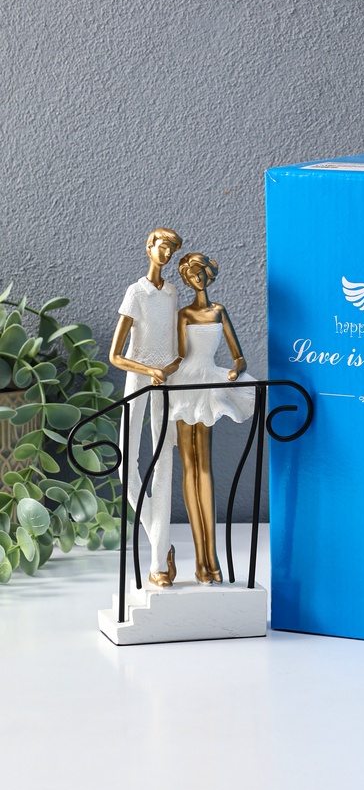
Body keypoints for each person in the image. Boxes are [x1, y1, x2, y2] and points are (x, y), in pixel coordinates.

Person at [169, 253, 256, 584]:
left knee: (203, 466)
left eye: (201, 273)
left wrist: (236, 370)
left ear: (208, 275)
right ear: (186, 279)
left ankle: (211, 559)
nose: (197, 279)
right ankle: (201, 560)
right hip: (185, 383)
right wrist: (158, 372)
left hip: (209, 379)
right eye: (191, 275)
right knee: (188, 465)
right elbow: (179, 356)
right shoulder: (184, 314)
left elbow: (238, 356)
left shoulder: (219, 311)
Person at [109, 227, 183, 588]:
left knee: (164, 458)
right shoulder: (135, 293)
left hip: (166, 381)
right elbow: (115, 355)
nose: (166, 254)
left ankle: (157, 564)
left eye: (171, 249)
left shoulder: (172, 293)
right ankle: (161, 542)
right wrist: (148, 370)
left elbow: (176, 346)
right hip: (139, 379)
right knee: (126, 460)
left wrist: (170, 367)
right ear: (149, 247)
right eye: (162, 246)